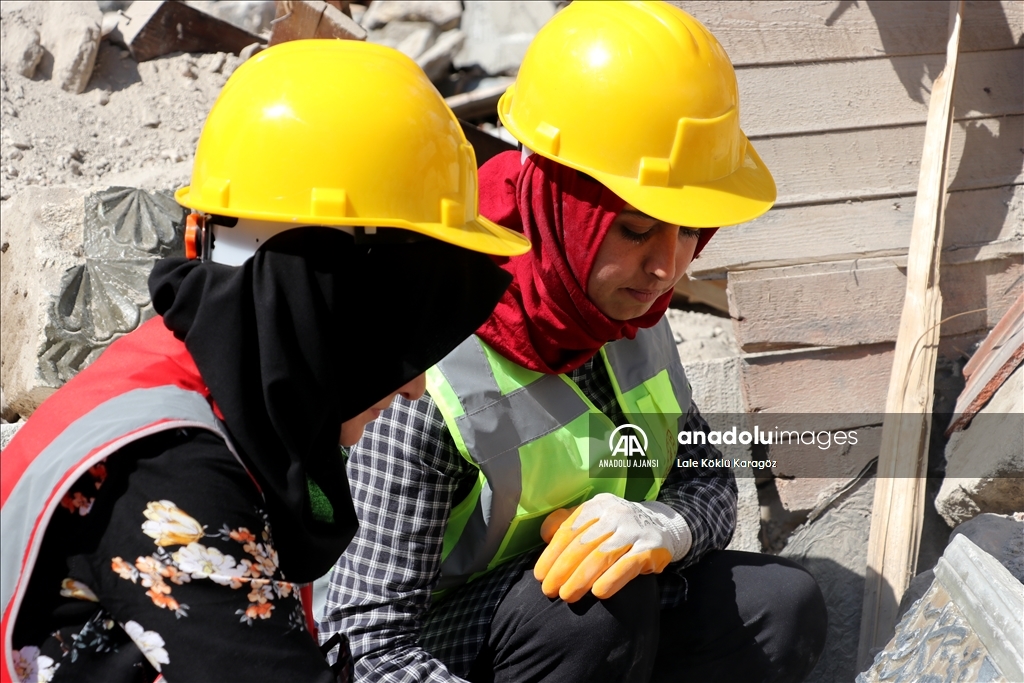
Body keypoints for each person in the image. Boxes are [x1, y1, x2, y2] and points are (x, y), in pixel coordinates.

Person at [319, 3, 827, 683]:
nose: (667, 267)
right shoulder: (432, 370)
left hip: (591, 634)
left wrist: (662, 526)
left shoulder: (619, 308)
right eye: (638, 229)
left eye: (688, 232)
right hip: (463, 646)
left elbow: (705, 480)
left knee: (781, 604)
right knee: (591, 612)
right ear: (562, 203)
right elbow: (367, 644)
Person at [0, 40, 529, 683]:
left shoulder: (214, 392)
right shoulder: (171, 473)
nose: (416, 387)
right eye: (399, 340)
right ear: (324, 304)